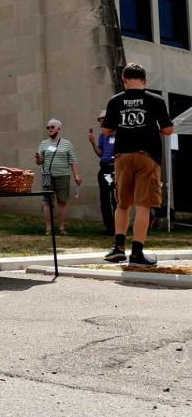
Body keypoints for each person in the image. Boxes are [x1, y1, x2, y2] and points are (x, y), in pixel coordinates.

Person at [100, 63, 174, 266]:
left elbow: (106, 131)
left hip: (122, 157)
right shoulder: (155, 100)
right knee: (143, 204)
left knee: (122, 204)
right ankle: (137, 253)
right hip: (146, 156)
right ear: (145, 80)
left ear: (124, 80)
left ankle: (118, 248)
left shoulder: (115, 101)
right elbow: (168, 130)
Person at [34, 118, 80, 235]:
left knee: (62, 202)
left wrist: (76, 175)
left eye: (52, 127)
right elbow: (39, 162)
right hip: (47, 175)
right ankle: (49, 229)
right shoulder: (43, 144)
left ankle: (62, 228)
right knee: (47, 202)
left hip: (63, 175)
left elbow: (73, 160)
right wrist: (38, 159)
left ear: (58, 129)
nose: (49, 129)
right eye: (48, 127)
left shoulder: (67, 143)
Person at [87, 110, 116, 231]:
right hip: (104, 168)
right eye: (100, 119)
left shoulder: (118, 133)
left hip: (115, 168)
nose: (102, 121)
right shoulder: (102, 136)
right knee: (104, 198)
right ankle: (109, 227)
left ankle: (117, 226)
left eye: (104, 118)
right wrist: (93, 142)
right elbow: (100, 153)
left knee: (114, 198)